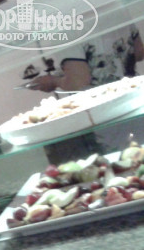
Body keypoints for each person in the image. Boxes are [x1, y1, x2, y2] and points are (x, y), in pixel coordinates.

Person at [26, 24, 144, 163]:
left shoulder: (66, 28)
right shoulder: (117, 11)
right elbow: (139, 52)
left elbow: (78, 82)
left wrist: (53, 81)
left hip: (105, 114)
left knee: (125, 161)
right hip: (135, 101)